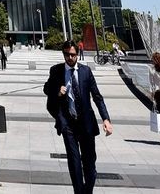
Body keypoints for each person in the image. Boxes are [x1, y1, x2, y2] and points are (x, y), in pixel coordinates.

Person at [44, 40, 113, 194]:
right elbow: (46, 88)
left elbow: (97, 97)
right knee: (74, 161)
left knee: (90, 164)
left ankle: (87, 190)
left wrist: (106, 119)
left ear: (77, 55)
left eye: (73, 55)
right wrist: (57, 90)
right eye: (67, 55)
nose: (70, 58)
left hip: (86, 123)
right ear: (63, 54)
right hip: (68, 124)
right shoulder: (56, 71)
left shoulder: (85, 71)